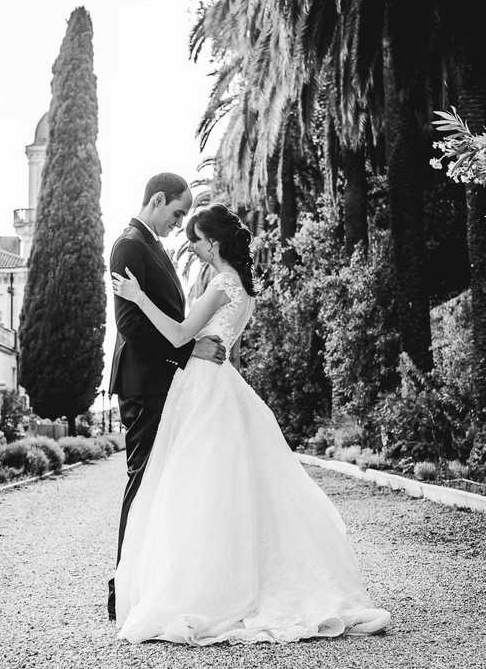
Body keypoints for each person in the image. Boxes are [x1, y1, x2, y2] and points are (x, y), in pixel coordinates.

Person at [111, 203, 391, 645]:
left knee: (198, 484)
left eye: (197, 242)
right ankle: (233, 576)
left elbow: (181, 336)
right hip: (220, 383)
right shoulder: (244, 287)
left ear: (214, 242)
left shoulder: (222, 283)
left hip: (204, 387)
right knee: (223, 484)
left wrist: (138, 297)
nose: (195, 250)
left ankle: (209, 587)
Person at [107, 174, 226, 622]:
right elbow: (131, 326)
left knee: (161, 481)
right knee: (142, 479)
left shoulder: (150, 245)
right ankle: (123, 586)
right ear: (157, 199)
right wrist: (188, 347)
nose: (179, 225)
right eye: (177, 213)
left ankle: (149, 580)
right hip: (142, 383)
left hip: (163, 380)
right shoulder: (127, 246)